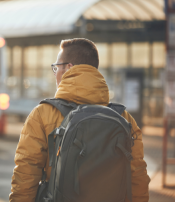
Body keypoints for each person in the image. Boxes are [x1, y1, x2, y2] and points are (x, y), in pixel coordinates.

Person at [9, 38, 150, 202]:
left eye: (56, 68)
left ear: (69, 68)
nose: (55, 74)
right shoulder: (124, 118)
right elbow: (137, 176)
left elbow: (26, 175)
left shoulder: (42, 114)